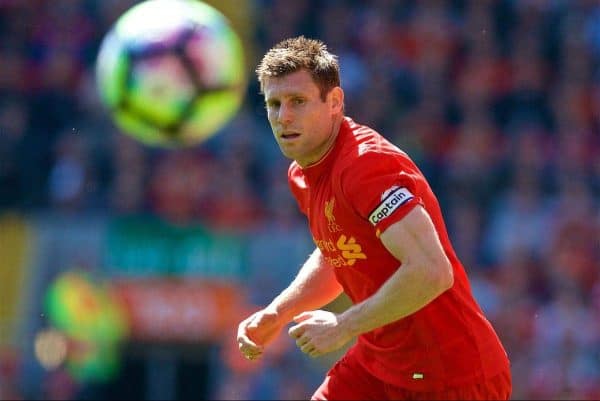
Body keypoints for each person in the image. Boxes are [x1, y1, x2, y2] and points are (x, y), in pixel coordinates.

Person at [237, 36, 512, 401]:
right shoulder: (302, 174)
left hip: (451, 378)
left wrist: (342, 326)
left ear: (334, 102)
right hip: (377, 367)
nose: (283, 117)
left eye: (298, 102)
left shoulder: (366, 166)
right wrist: (277, 312)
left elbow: (432, 271)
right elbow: (340, 251)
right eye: (274, 104)